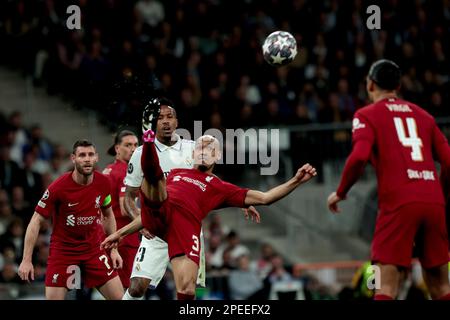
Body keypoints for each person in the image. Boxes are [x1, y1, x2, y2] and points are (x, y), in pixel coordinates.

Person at [102, 104, 317, 300]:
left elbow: (265, 198)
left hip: (185, 229)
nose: (203, 151)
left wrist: (295, 180)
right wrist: (120, 233)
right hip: (159, 214)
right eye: (201, 147)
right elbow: (137, 204)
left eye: (209, 149)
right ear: (193, 153)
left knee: (186, 290)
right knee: (155, 182)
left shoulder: (217, 185)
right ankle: (148, 141)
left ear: (218, 156)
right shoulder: (176, 173)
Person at [327, 59, 450, 300]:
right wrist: (439, 195)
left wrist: (341, 192)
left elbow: (359, 156)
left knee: (385, 285)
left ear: (371, 85)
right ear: (399, 85)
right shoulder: (424, 116)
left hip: (398, 204)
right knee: (441, 287)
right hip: (433, 202)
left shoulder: (366, 115)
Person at [121, 97, 259, 299]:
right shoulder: (141, 153)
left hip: (187, 231)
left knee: (188, 290)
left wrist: (241, 201)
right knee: (136, 287)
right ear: (153, 123)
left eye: (170, 117)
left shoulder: (194, 147)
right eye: (160, 118)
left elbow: (210, 180)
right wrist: (139, 222)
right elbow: (129, 196)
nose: (166, 122)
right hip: (156, 229)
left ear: (177, 122)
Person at [18, 140, 124, 300]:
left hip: (94, 249)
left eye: (90, 155)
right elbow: (36, 220)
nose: (87, 159)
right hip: (64, 251)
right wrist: (26, 260)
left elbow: (108, 214)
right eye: (82, 155)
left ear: (96, 158)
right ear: (73, 158)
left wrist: (114, 249)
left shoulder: (103, 182)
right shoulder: (58, 187)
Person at [102, 130, 139, 289]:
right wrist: (147, 219)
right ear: (117, 148)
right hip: (124, 237)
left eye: (136, 145)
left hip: (110, 237)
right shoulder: (125, 172)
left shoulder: (108, 170)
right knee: (126, 289)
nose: (133, 149)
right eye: (128, 145)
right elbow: (126, 208)